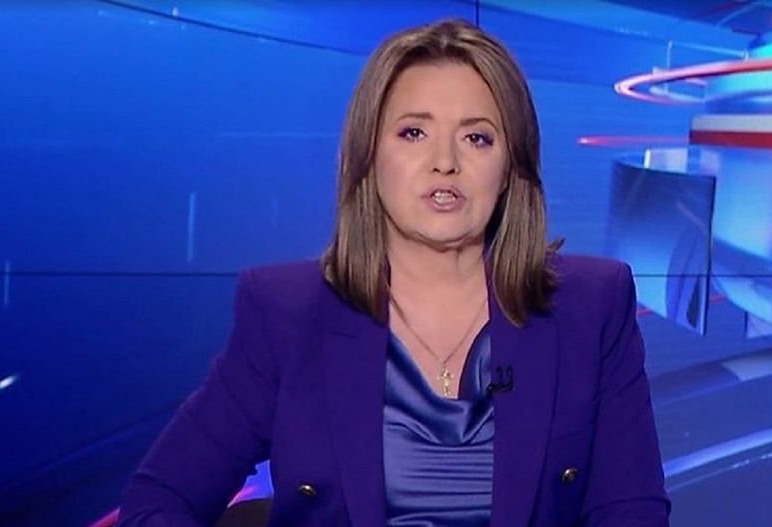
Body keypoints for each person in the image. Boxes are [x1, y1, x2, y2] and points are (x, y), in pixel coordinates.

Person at [117, 18, 670, 526]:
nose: (445, 162)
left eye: (477, 137)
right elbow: (159, 499)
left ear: (509, 168)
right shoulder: (286, 313)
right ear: (369, 155)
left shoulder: (592, 308)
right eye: (413, 133)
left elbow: (632, 511)